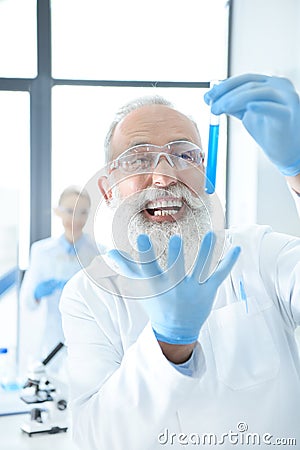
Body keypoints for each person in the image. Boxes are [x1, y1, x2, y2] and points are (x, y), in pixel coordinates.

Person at [60, 74, 300, 449]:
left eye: (183, 155)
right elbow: (95, 438)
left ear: (205, 174)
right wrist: (168, 343)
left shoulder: (258, 254)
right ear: (108, 189)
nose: (163, 176)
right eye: (138, 159)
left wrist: (298, 170)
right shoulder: (89, 295)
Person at [20, 185, 100, 368]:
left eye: (83, 212)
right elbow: (27, 301)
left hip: (87, 338)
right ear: (58, 212)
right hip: (51, 337)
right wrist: (38, 293)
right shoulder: (41, 251)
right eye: (70, 211)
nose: (76, 219)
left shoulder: (98, 253)